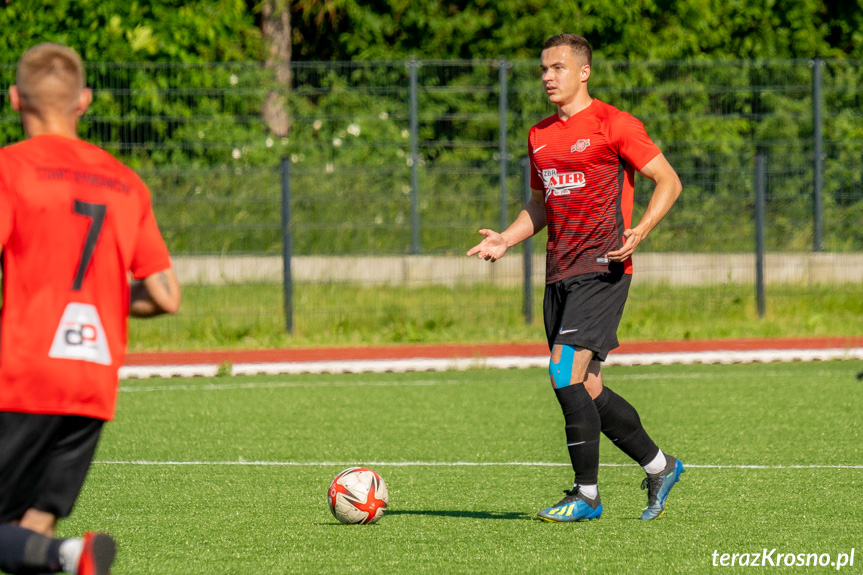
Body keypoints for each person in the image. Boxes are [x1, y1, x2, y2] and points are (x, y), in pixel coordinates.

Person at [467, 33, 684, 522]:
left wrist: (641, 230)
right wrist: (505, 237)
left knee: (563, 372)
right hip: (559, 274)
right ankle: (660, 465)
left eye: (558, 68)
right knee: (585, 387)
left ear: (584, 72)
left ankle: (586, 495)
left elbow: (668, 180)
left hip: (604, 267)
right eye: (544, 68)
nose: (548, 76)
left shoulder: (614, 123)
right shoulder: (539, 134)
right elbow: (541, 205)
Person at [0, 43, 181, 573]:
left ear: (15, 100)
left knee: (40, 542)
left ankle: (66, 554)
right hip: (92, 379)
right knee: (33, 525)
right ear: (84, 100)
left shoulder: (11, 169)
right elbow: (166, 295)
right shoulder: (126, 182)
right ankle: (66, 555)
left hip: (25, 371)